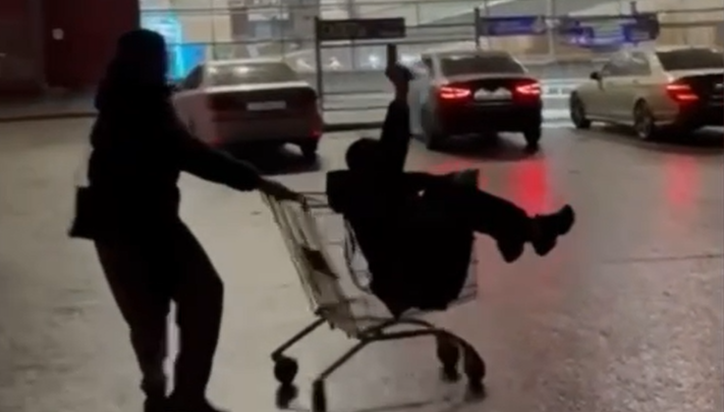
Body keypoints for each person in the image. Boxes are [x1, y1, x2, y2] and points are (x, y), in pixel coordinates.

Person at [69, 29, 299, 412]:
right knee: (194, 297)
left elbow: (181, 151)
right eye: (159, 56)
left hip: (125, 222)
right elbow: (188, 153)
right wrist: (256, 180)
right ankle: (180, 394)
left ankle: (164, 389)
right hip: (138, 223)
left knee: (155, 311)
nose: (164, 63)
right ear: (144, 62)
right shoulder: (139, 107)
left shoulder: (126, 100)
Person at [327, 63, 575, 314]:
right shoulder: (373, 191)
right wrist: (401, 93)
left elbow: (406, 173)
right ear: (376, 166)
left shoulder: (364, 194)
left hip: (409, 274)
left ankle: (522, 232)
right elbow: (394, 148)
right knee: (454, 199)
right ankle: (524, 232)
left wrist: (442, 182)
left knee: (450, 195)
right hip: (418, 280)